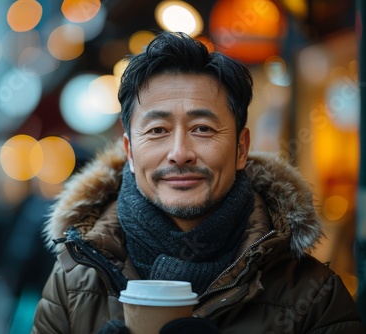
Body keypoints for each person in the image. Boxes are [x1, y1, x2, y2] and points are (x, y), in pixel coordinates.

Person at [31, 31, 365, 333]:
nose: (180, 153)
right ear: (130, 152)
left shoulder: (313, 295)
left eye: (202, 129)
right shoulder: (72, 285)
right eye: (157, 130)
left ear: (240, 149)